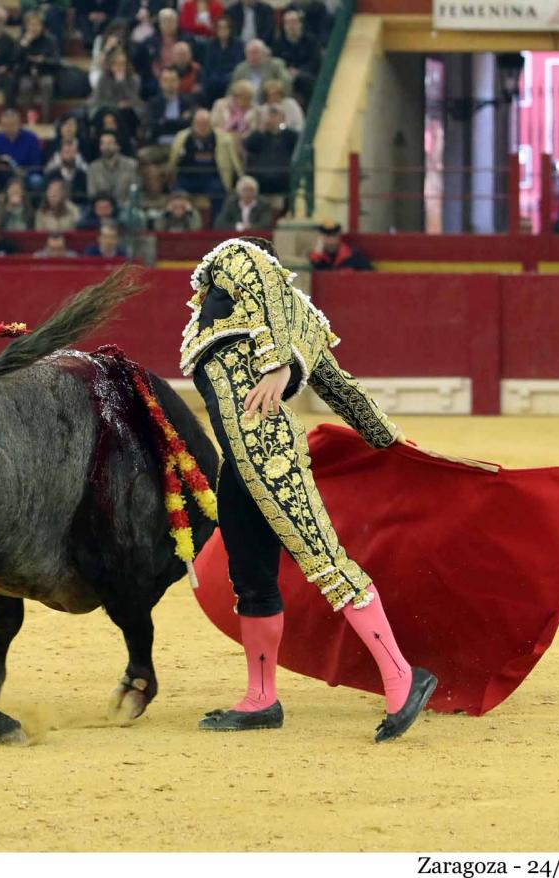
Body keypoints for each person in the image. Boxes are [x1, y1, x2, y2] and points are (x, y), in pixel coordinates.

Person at [180, 236, 437, 739]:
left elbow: (266, 281)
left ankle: (402, 676)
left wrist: (278, 363)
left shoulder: (239, 257)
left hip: (269, 451)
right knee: (251, 580)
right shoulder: (303, 321)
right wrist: (386, 435)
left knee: (325, 561)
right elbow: (342, 389)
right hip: (239, 463)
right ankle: (261, 700)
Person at [169, 107, 241, 213]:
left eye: (206, 123)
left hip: (212, 176)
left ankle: (217, 222)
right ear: (193, 123)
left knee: (218, 193)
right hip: (188, 177)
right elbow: (173, 161)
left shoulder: (223, 138)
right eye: (199, 123)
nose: (202, 126)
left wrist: (240, 177)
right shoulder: (182, 137)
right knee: (177, 193)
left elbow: (234, 162)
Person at [14, 11, 59, 121]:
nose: (33, 28)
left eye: (36, 25)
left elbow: (56, 60)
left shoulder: (50, 40)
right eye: (31, 25)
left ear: (42, 26)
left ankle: (45, 118)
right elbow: (14, 59)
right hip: (27, 72)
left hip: (45, 72)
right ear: (26, 26)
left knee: (47, 84)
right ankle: (29, 118)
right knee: (25, 86)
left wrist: (43, 60)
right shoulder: (21, 39)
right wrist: (24, 45)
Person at [242, 105, 296, 197]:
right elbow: (247, 145)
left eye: (275, 115)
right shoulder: (258, 136)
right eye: (269, 115)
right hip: (260, 182)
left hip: (282, 182)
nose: (271, 118)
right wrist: (261, 129)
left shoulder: (290, 136)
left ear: (283, 118)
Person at [270, 8, 318, 104]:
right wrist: (287, 71)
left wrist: (299, 72)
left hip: (307, 74)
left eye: (294, 22)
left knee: (306, 81)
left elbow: (315, 62)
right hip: (285, 75)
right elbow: (276, 62)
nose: (291, 26)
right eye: (287, 23)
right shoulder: (278, 43)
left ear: (300, 24)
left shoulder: (311, 41)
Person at [146, 66, 195, 148]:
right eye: (166, 80)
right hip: (158, 146)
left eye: (173, 80)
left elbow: (189, 126)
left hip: (183, 145)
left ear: (179, 82)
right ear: (160, 83)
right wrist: (180, 120)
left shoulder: (187, 102)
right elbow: (153, 126)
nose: (170, 84)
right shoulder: (153, 103)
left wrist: (164, 122)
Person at [200, 15, 243, 104]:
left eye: (225, 28)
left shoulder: (238, 44)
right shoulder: (210, 44)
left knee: (228, 81)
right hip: (214, 76)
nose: (222, 30)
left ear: (230, 29)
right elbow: (207, 64)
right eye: (220, 28)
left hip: (230, 74)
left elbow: (238, 63)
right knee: (211, 82)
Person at [87, 130, 138, 204]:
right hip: (102, 209)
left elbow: (135, 192)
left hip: (126, 207)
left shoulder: (131, 165)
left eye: (109, 143)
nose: (105, 147)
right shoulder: (93, 168)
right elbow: (92, 195)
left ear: (118, 146)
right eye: (102, 144)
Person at [0, 108, 44, 177]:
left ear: (19, 124)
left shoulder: (31, 138)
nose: (8, 128)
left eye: (11, 125)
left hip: (27, 174)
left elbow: (36, 164)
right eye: (4, 125)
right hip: (4, 175)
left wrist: (24, 173)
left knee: (36, 179)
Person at [43, 138, 90, 203]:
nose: (69, 156)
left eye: (72, 152)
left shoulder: (82, 175)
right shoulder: (52, 174)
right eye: (66, 152)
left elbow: (85, 196)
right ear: (61, 155)